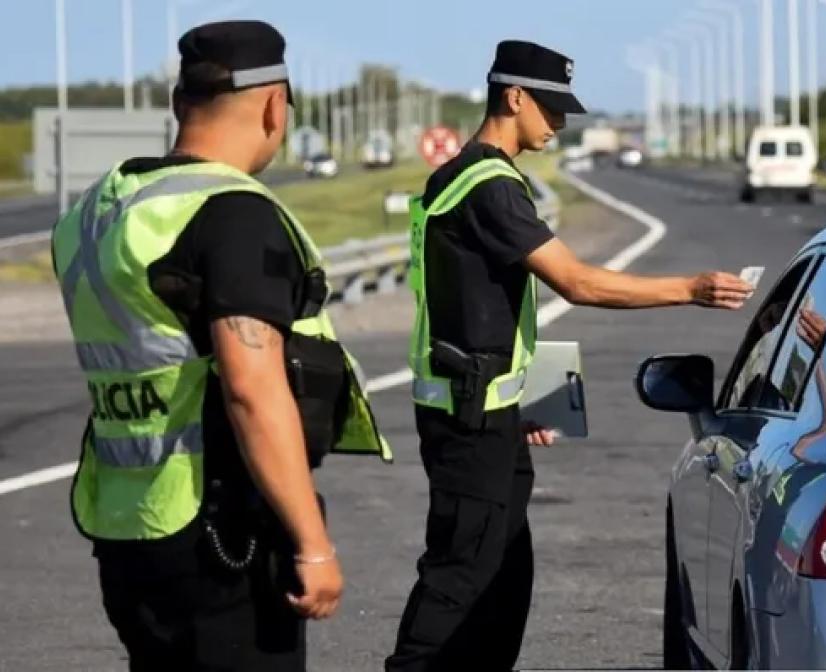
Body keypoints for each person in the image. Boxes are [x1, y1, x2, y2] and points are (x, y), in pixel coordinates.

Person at [386, 40, 754, 672]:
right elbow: (576, 283)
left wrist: (521, 394)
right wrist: (689, 290)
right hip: (470, 421)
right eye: (551, 109)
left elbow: (475, 303)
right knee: (460, 580)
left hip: (484, 408)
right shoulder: (490, 185)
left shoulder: (458, 177)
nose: (558, 124)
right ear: (515, 96)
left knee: (502, 578)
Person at [51, 20, 390, 672]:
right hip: (220, 528)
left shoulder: (95, 213)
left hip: (125, 521)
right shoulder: (231, 211)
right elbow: (250, 386)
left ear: (180, 103)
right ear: (273, 104)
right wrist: (312, 544)